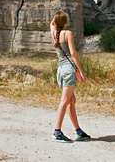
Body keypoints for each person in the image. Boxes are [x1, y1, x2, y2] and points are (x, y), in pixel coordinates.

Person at [50, 11, 90, 142]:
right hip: (69, 69)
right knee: (64, 102)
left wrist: (59, 16)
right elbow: (73, 53)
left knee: (71, 102)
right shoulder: (68, 34)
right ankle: (57, 132)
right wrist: (80, 71)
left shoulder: (54, 34)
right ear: (65, 22)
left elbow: (51, 23)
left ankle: (79, 132)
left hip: (60, 70)